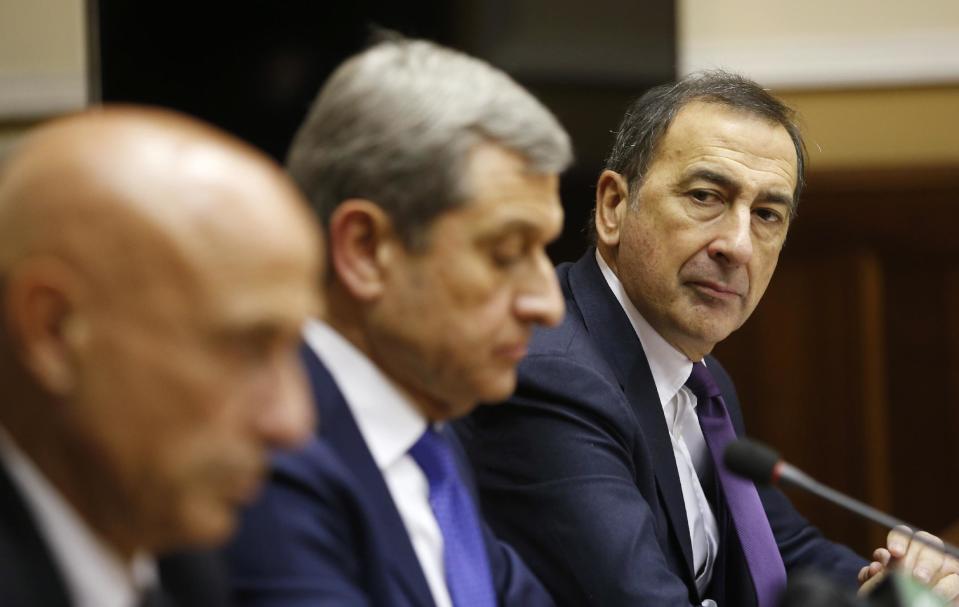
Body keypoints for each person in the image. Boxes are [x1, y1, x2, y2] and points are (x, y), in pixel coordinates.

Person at [457, 71, 959, 606]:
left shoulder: (701, 379)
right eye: (705, 197)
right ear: (613, 207)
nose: (738, 245)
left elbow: (783, 549)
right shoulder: (554, 377)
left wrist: (903, 589)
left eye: (767, 214)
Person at [223, 37, 572, 606]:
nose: (547, 304)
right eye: (506, 253)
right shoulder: (271, 459)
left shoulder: (427, 427)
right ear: (365, 250)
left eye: (543, 252)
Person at [0, 107, 323, 607]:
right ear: (54, 332)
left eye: (294, 348)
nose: (292, 422)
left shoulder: (182, 562)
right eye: (247, 348)